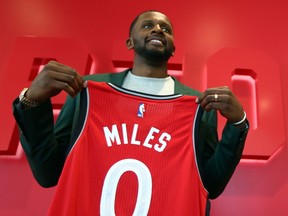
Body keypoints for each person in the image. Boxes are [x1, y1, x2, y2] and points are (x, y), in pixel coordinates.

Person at [13, 10, 249, 215]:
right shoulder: (86, 92)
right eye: (148, 25)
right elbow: (48, 172)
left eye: (165, 28)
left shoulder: (197, 105)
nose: (157, 29)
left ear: (173, 48)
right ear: (129, 42)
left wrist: (238, 123)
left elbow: (210, 183)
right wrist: (32, 102)